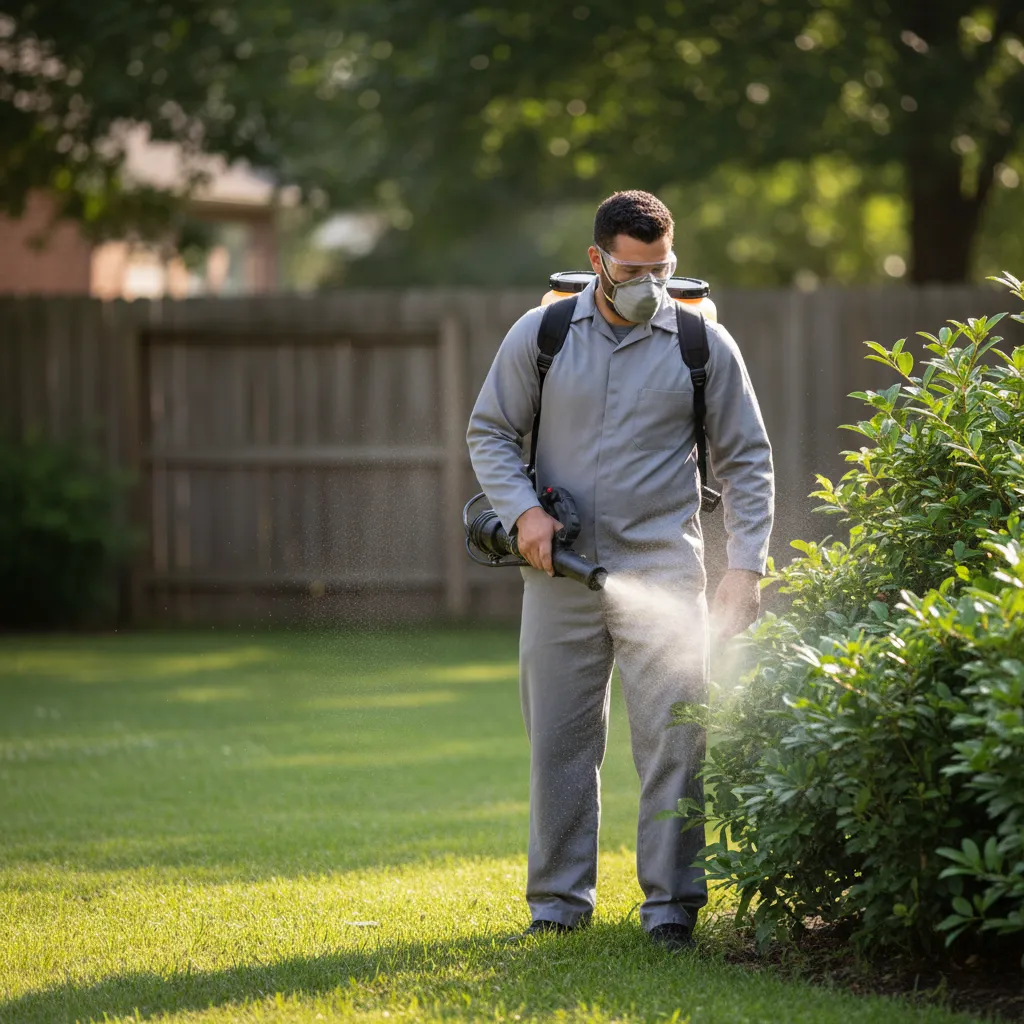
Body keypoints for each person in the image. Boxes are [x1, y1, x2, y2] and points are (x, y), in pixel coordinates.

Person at [466, 190, 774, 951]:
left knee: (675, 739)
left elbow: (748, 460)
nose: (650, 284)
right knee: (561, 743)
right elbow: (491, 430)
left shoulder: (703, 345)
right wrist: (522, 512)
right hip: (559, 576)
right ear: (598, 261)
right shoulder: (542, 335)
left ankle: (671, 908)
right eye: (634, 270)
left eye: (662, 268)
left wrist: (745, 567)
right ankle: (559, 906)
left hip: (665, 569)